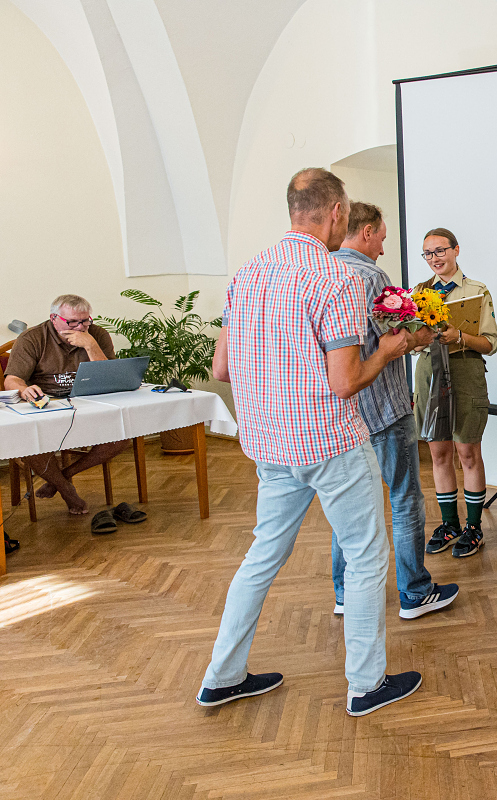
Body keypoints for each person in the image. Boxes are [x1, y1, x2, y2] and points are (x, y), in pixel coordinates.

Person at [197, 168, 420, 717]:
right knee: (366, 556)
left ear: (294, 209)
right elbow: (346, 382)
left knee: (262, 556)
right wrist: (388, 352)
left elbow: (221, 369)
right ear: (338, 212)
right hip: (328, 443)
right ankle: (366, 685)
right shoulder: (333, 277)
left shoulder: (247, 273)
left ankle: (222, 676)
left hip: (270, 445)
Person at [327, 202, 458, 620]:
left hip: (344, 411)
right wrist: (426, 332)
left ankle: (345, 593)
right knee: (404, 499)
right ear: (366, 232)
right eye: (382, 238)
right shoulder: (371, 277)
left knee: (347, 507)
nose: (383, 248)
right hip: (384, 406)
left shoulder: (324, 272)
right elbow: (395, 342)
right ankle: (414, 592)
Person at [3, 294, 141, 531]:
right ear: (54, 318)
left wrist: (90, 345)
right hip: (49, 405)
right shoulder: (32, 338)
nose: (80, 327)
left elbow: (110, 377)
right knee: (29, 443)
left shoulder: (96, 334)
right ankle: (67, 490)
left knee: (121, 437)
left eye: (85, 321)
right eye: (72, 322)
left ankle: (62, 477)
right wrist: (24, 390)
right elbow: (12, 380)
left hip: (89, 403)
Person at [414, 228, 497, 559]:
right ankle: (449, 524)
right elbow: (410, 344)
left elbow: (491, 343)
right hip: (429, 372)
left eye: (440, 250)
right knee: (438, 452)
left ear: (456, 250)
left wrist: (459, 337)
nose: (435, 258)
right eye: (428, 253)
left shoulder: (477, 291)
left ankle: (474, 528)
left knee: (467, 451)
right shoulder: (418, 293)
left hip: (465, 371)